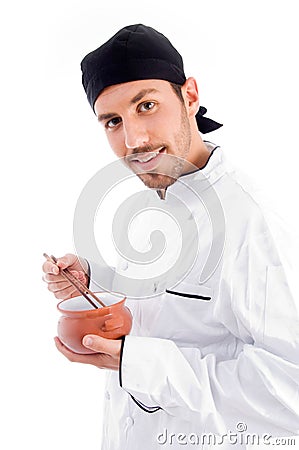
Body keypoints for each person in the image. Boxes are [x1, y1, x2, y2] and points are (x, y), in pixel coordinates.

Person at [42, 24, 299, 449]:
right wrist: (95, 282)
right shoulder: (155, 189)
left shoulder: (249, 221)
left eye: (146, 105)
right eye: (112, 121)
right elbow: (170, 302)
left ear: (190, 95)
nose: (133, 140)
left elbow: (291, 391)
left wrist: (137, 363)